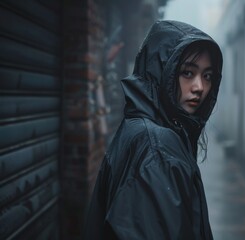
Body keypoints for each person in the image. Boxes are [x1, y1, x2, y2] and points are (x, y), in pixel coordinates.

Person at [84, 20, 223, 240]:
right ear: (161, 73)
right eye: (188, 73)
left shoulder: (146, 131)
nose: (200, 87)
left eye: (207, 76)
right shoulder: (157, 148)